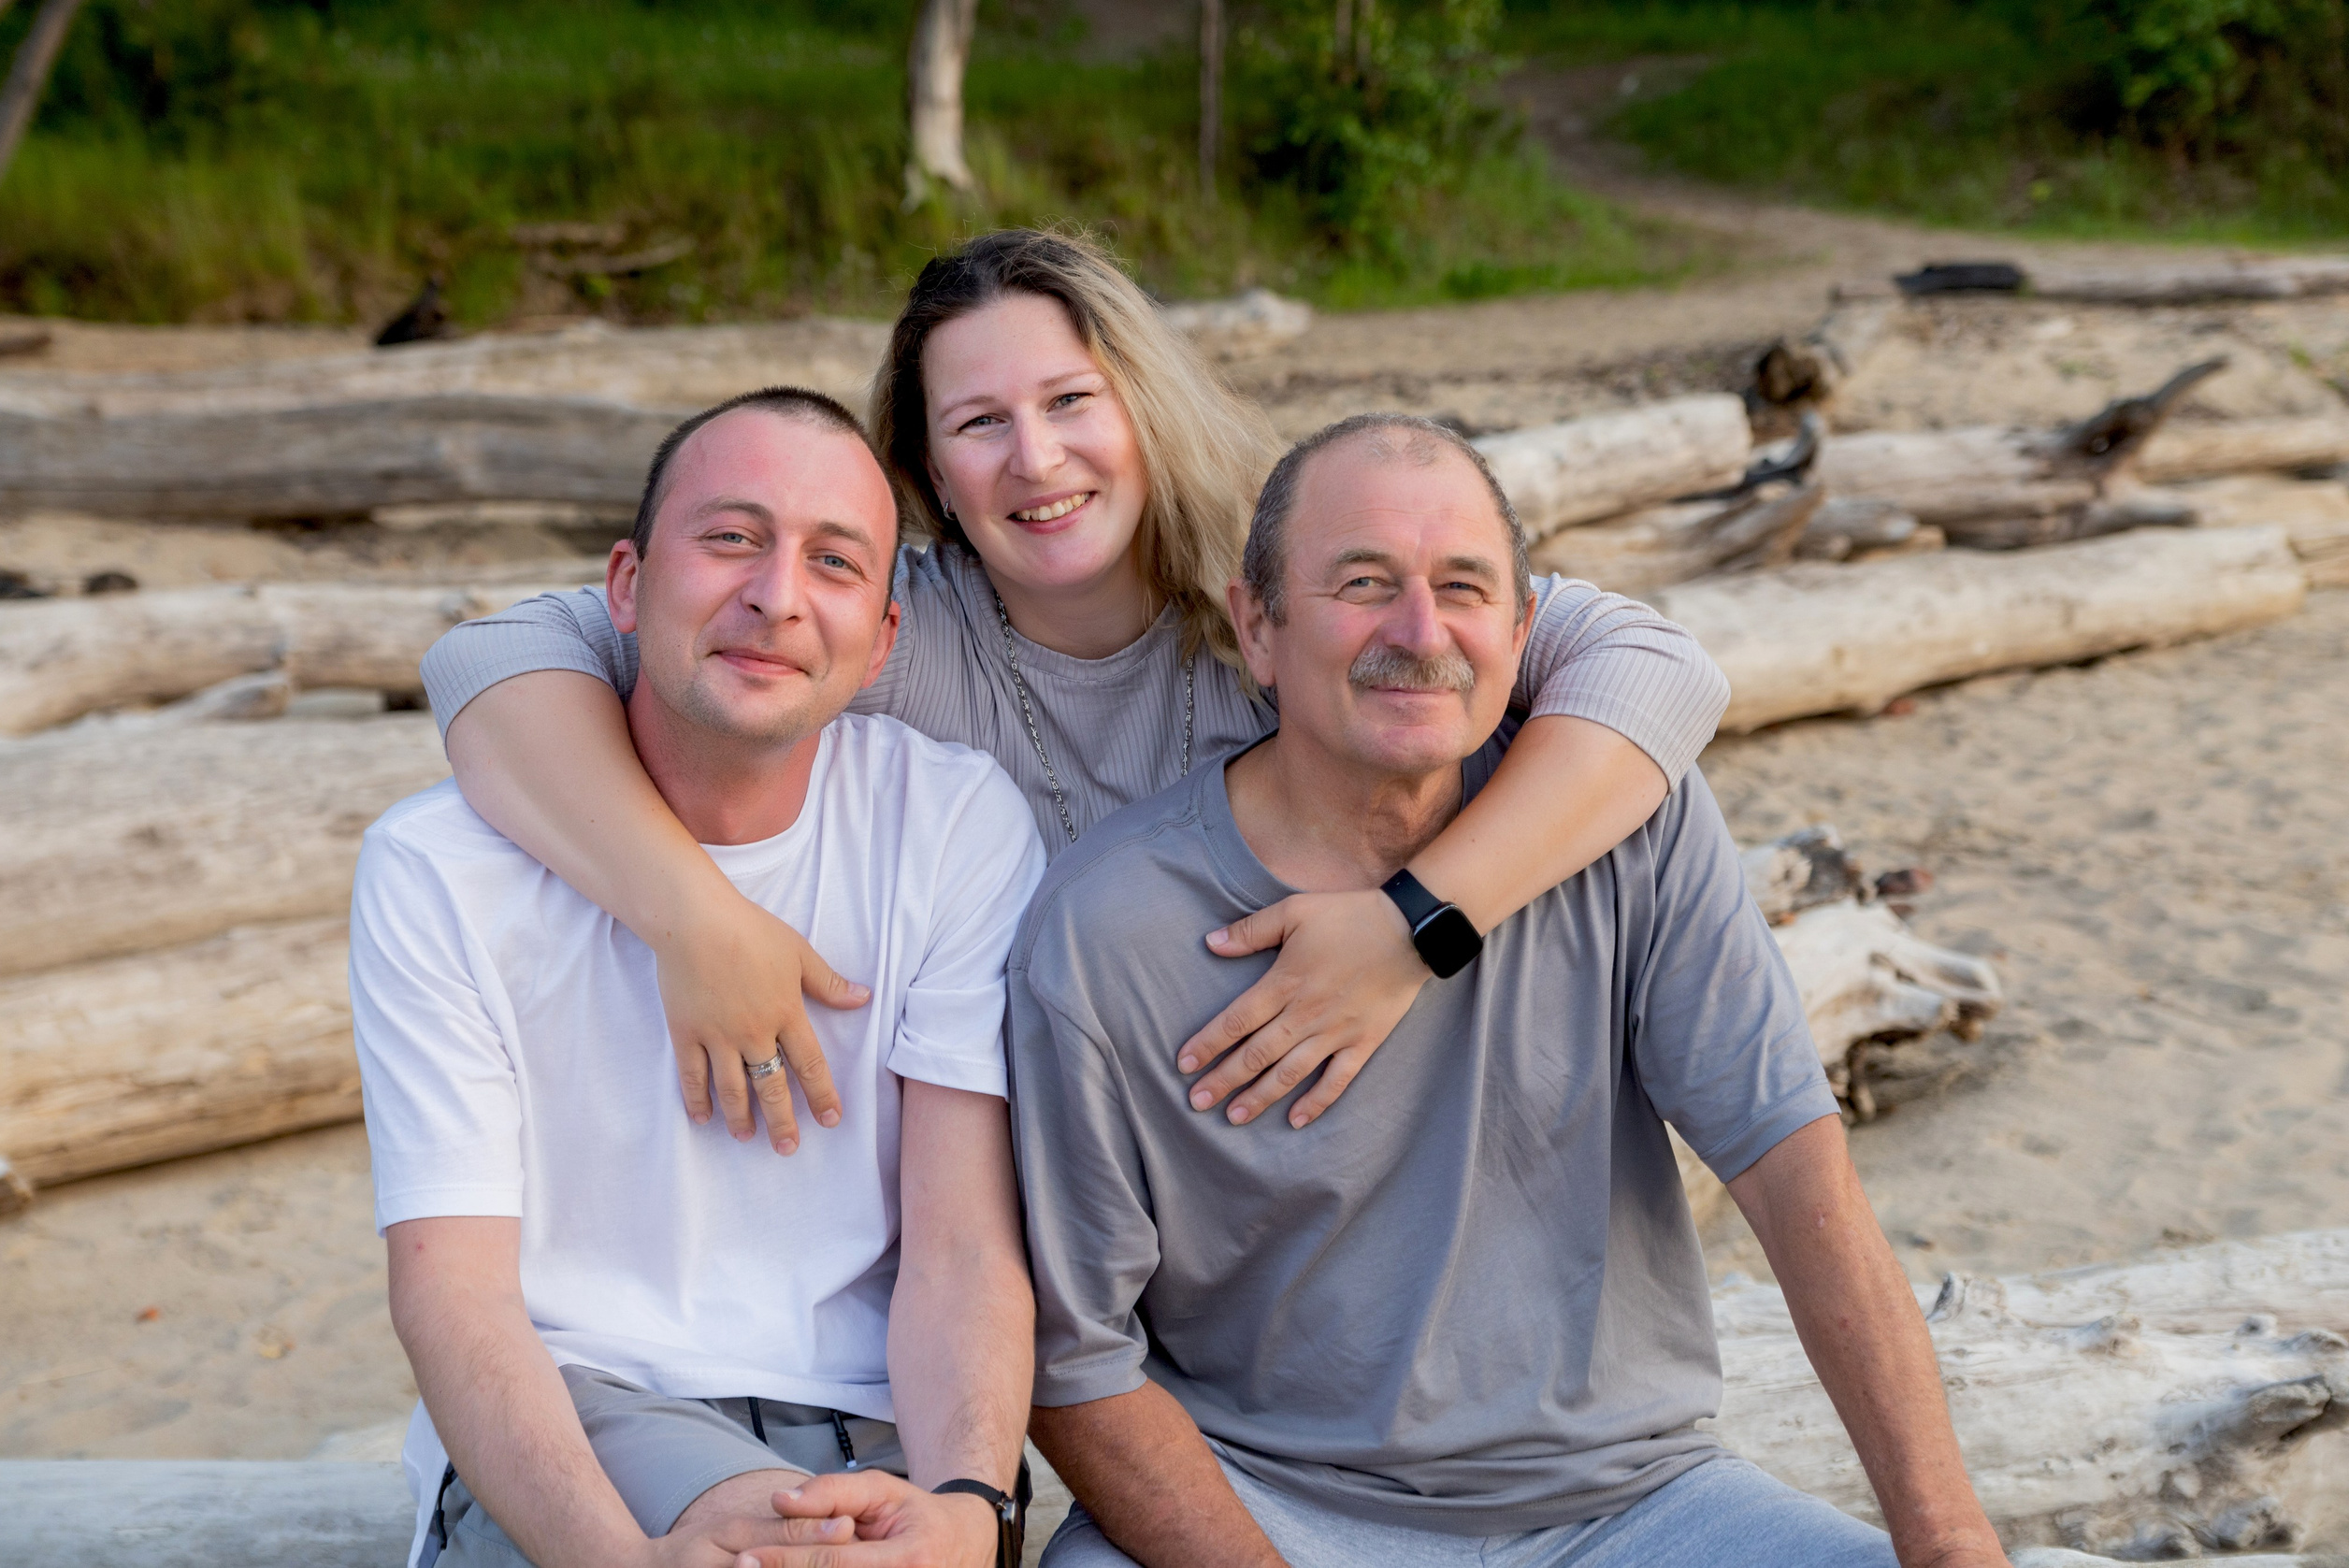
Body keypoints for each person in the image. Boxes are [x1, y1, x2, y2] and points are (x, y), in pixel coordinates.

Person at [418, 229, 1731, 1157]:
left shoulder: (1287, 596)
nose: (1035, 458)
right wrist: (692, 918)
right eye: (978, 422)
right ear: (926, 464)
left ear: (1141, 402)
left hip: (1276, 1150)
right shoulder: (889, 629)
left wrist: (1417, 923)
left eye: (1070, 400)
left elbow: (1659, 668)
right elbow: (486, 661)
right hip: (986, 1168)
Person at [1007, 413, 2013, 1568]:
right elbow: (1072, 1360)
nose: (1419, 631)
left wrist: (1945, 1542)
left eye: (1463, 587)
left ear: (1525, 629)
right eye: (1362, 582)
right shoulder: (1104, 930)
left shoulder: (1632, 822)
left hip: (1636, 1505)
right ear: (1257, 626)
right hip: (1270, 1502)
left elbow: (1797, 1178)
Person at [353, 389, 1042, 1568]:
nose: (775, 596)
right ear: (625, 585)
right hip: (579, 1424)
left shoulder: (950, 824)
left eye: (833, 562)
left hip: (879, 1430)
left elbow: (961, 1249)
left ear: (879, 643)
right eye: (730, 538)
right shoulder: (438, 867)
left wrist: (970, 1510)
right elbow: (453, 1292)